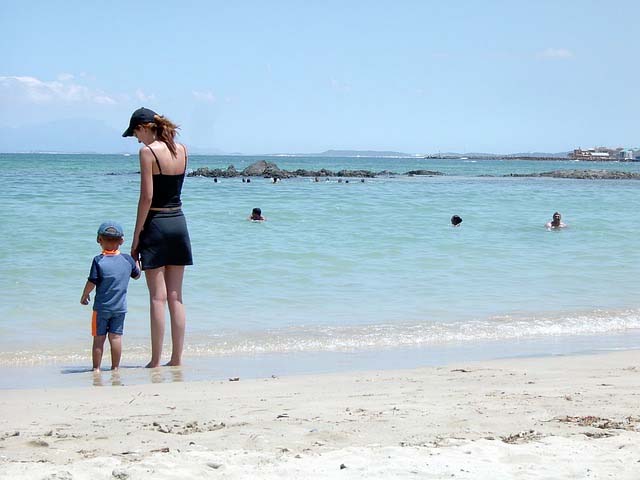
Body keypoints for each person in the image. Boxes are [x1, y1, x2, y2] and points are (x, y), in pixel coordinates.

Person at [123, 107, 193, 368]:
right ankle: (176, 358)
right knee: (176, 297)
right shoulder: (183, 150)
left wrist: (136, 237)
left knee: (157, 297)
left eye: (135, 134)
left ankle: (155, 360)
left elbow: (147, 197)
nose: (137, 139)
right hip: (179, 222)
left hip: (156, 223)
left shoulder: (147, 152)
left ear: (144, 128)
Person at [80, 222, 141, 371]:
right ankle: (115, 368)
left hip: (101, 309)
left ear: (99, 240)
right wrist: (137, 261)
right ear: (121, 241)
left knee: (99, 339)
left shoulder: (98, 260)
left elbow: (92, 281)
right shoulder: (127, 260)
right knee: (116, 338)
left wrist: (85, 294)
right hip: (120, 309)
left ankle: (96, 368)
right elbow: (137, 275)